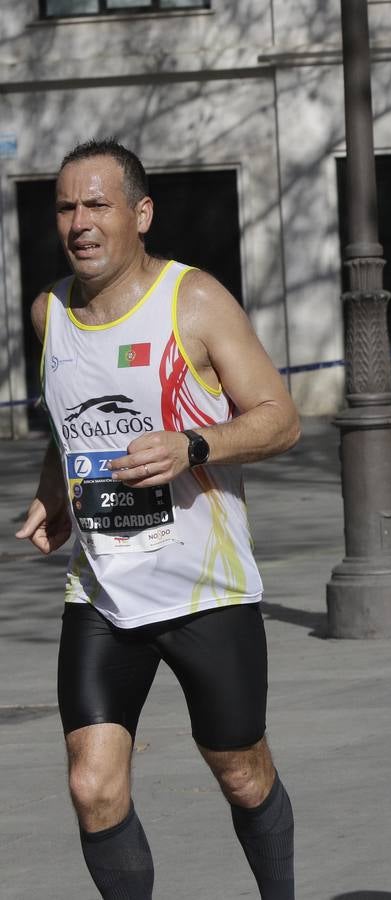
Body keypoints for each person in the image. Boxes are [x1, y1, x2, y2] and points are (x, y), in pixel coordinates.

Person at [14, 139, 301, 899]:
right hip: (102, 592)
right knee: (91, 784)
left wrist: (193, 444)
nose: (79, 222)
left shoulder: (193, 301)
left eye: (96, 204)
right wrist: (51, 493)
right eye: (66, 207)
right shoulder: (49, 312)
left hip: (205, 591)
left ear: (140, 214)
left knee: (241, 774)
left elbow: (280, 418)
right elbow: (68, 423)